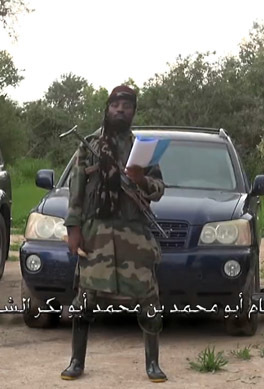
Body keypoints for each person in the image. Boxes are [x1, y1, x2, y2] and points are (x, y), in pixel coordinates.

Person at [61, 85, 168, 383]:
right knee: (85, 298)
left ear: (133, 112)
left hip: (134, 233)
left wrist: (141, 179)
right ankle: (76, 361)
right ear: (107, 109)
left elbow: (159, 189)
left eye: (127, 106)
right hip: (97, 233)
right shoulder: (89, 145)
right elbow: (76, 192)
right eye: (115, 105)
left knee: (149, 298)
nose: (120, 110)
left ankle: (153, 364)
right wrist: (74, 230)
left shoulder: (142, 149)